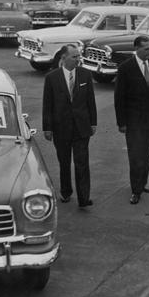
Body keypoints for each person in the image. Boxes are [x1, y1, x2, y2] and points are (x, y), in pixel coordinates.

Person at [42, 44, 97, 208]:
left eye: (78, 56)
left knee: (82, 163)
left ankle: (84, 198)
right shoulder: (52, 78)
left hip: (82, 127)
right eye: (74, 57)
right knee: (64, 162)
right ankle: (66, 192)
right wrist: (47, 127)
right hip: (61, 128)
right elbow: (48, 104)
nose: (78, 59)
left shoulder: (85, 75)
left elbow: (90, 101)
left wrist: (93, 122)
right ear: (64, 58)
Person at [114, 35, 149, 204]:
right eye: (146, 49)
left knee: (147, 153)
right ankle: (135, 190)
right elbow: (119, 97)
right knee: (135, 155)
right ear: (137, 49)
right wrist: (122, 122)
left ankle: (142, 183)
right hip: (133, 121)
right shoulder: (125, 68)